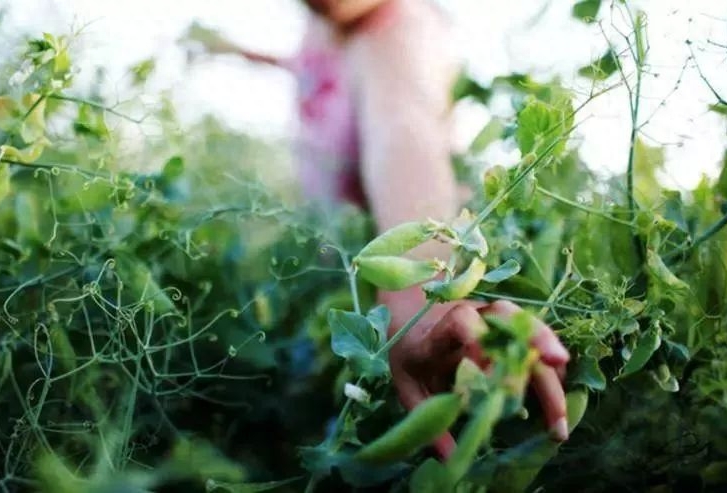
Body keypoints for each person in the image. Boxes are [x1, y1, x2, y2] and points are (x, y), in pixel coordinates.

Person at [186, 0, 570, 460]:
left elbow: (403, 132)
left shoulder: (397, 33)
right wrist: (239, 52)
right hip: (336, 302)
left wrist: (419, 309)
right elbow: (315, 69)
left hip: (373, 314)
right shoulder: (323, 23)